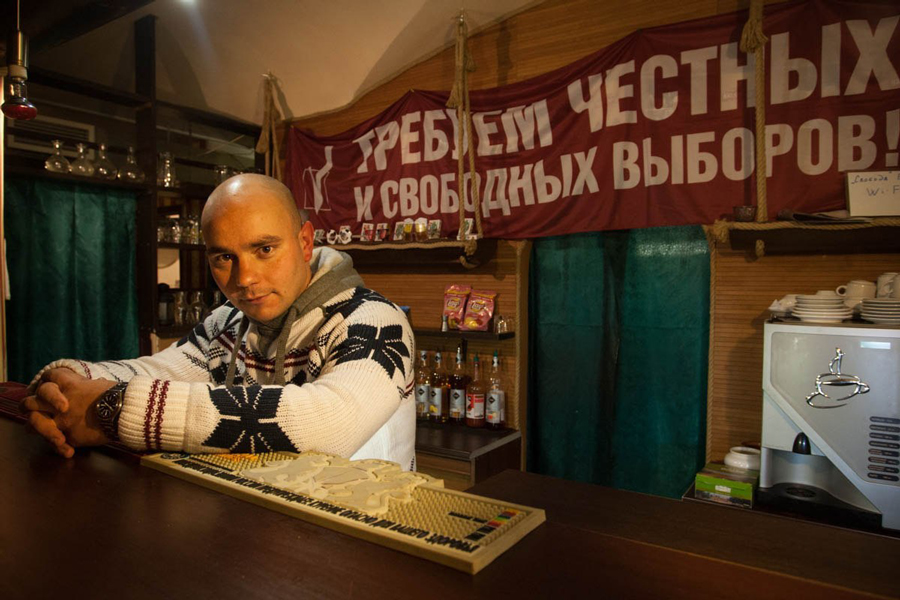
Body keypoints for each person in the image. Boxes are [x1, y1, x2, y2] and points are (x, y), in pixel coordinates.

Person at [19, 174, 417, 469]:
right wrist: (71, 382)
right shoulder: (229, 321)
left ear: (305, 241)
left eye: (264, 249)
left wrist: (113, 409)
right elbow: (160, 369)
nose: (244, 279)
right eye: (224, 257)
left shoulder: (375, 320)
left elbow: (330, 422)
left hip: (374, 541)